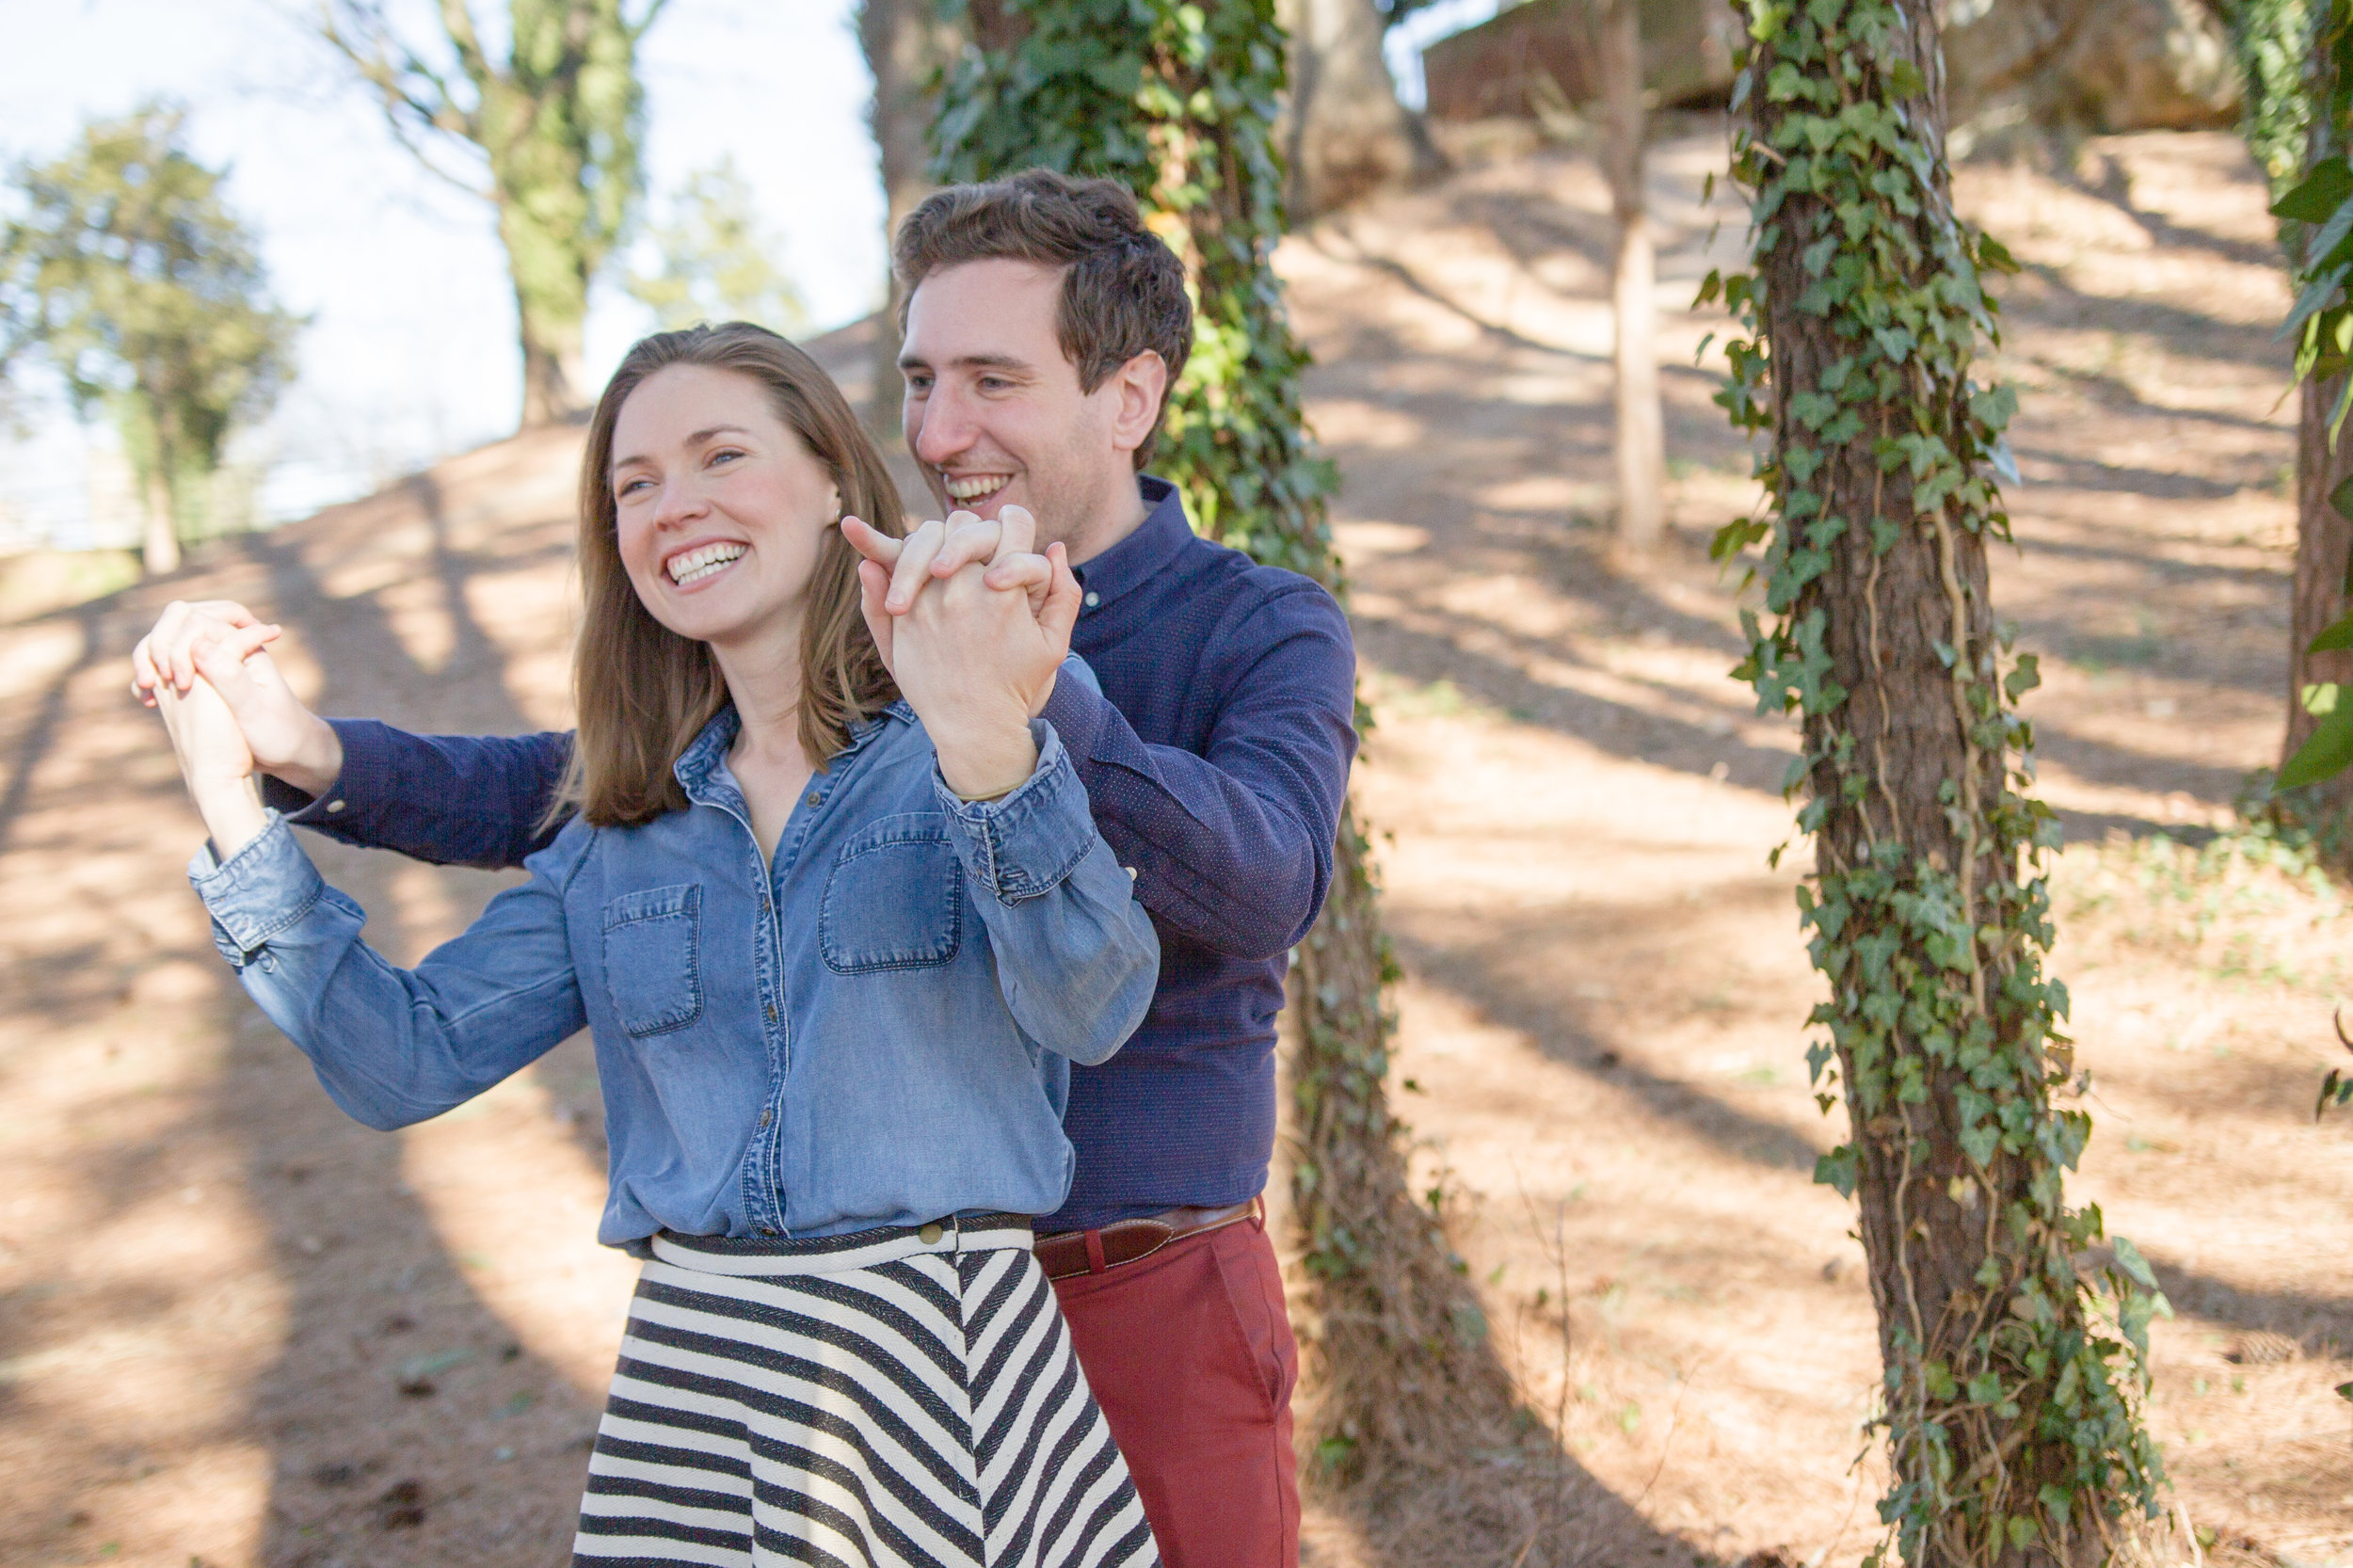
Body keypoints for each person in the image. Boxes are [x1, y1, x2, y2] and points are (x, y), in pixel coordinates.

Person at [135, 169, 1358, 1568]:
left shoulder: (1253, 630)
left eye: (992, 380)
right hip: (764, 1368)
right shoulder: (755, 747)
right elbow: (574, 796)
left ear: (1127, 398)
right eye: (917, 380)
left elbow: (1261, 885)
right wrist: (291, 758)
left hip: (1131, 1285)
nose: (941, 431)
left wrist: (1016, 700)